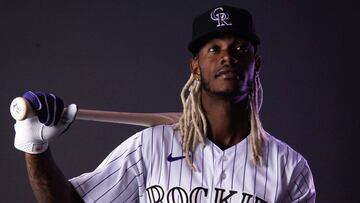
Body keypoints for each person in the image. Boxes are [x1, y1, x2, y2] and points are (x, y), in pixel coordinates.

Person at [13, 5, 316, 203]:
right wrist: (34, 147)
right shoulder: (151, 146)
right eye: (214, 48)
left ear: (256, 63)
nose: (227, 57)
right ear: (195, 66)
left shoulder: (290, 168)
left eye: (240, 48)